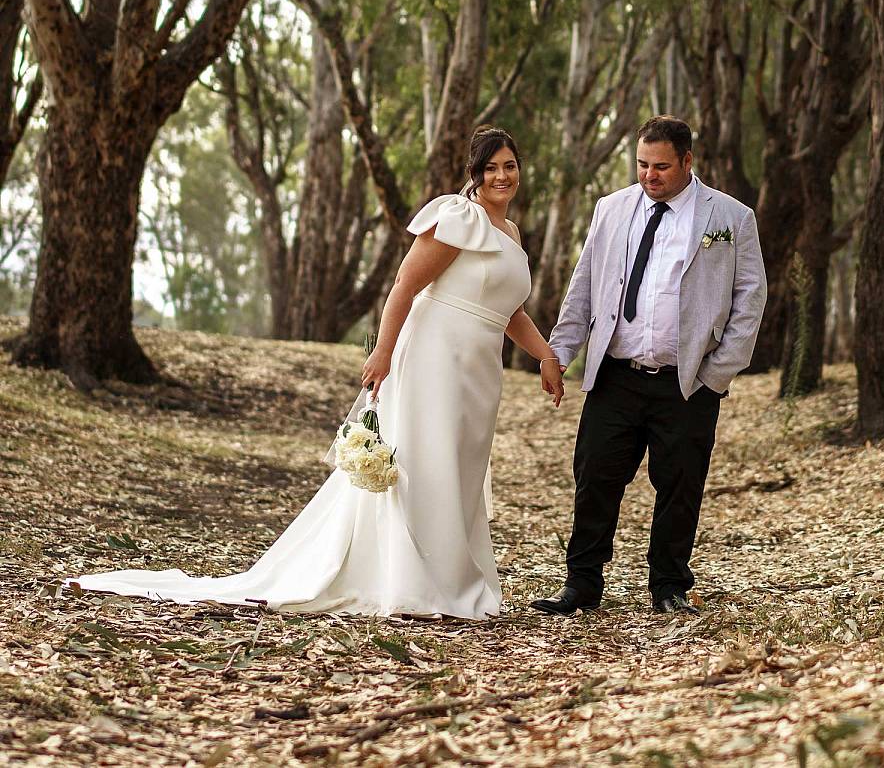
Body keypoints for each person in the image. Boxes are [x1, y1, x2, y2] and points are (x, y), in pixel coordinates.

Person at [66, 127, 565, 620]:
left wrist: (545, 356)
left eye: (510, 166)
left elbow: (507, 310)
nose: (502, 176)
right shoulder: (457, 218)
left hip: (480, 370)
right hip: (435, 357)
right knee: (427, 462)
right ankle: (415, 583)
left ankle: (455, 575)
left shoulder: (511, 234)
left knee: (460, 465)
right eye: (491, 168)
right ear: (474, 176)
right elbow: (404, 287)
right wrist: (383, 353)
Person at [531, 115, 767, 617]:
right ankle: (582, 584)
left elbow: (750, 299)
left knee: (680, 484)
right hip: (616, 374)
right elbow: (585, 286)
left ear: (687, 161)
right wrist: (560, 353)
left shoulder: (729, 217)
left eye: (661, 166)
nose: (649, 175)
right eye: (641, 164)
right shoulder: (612, 209)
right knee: (594, 478)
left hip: (687, 382)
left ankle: (669, 586)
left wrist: (715, 375)